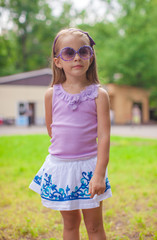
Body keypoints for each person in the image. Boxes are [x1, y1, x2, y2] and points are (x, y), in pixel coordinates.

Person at [29, 28, 112, 240]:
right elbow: (52, 129)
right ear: (58, 61)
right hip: (61, 168)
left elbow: (104, 137)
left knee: (94, 226)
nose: (77, 57)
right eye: (68, 53)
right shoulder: (51, 94)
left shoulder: (99, 95)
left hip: (88, 168)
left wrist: (99, 173)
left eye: (83, 51)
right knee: (70, 224)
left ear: (91, 57)